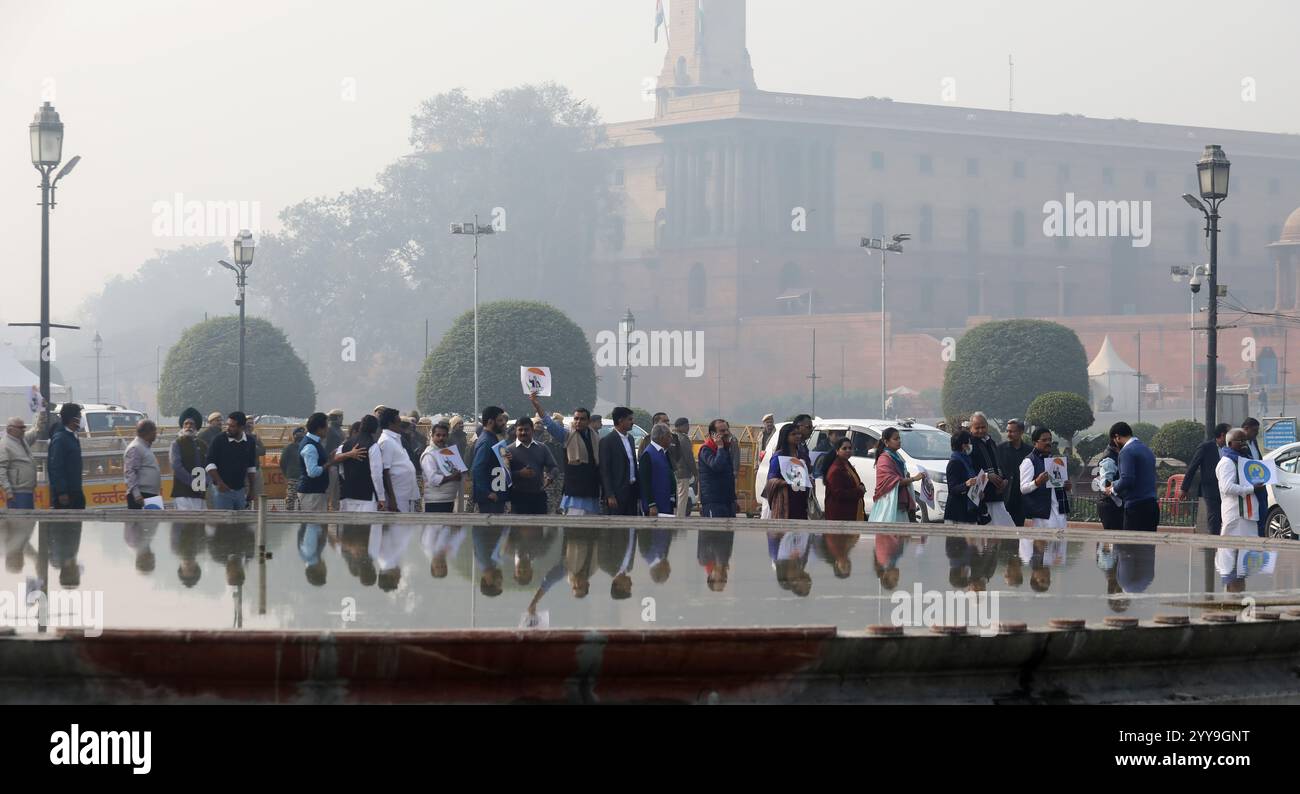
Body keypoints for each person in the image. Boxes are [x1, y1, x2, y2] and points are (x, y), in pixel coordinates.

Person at [531, 394, 602, 516]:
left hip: (592, 490)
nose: (578, 421)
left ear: (588, 421)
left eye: (582, 419)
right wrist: (537, 406)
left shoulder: (595, 437)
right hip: (575, 492)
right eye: (576, 418)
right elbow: (550, 424)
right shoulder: (568, 435)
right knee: (574, 530)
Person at [1105, 421, 1157, 532]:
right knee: (1148, 547)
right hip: (1152, 505)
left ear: (1117, 437)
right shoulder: (1146, 449)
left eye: (1114, 441)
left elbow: (1127, 479)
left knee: (1130, 547)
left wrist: (1113, 489)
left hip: (1136, 507)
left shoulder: (1126, 451)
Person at [1180, 422, 1230, 536]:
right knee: (1214, 517)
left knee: (1225, 517)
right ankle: (1213, 544)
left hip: (1225, 488)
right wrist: (1184, 488)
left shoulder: (1229, 449)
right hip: (1210, 489)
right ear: (1223, 435)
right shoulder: (1206, 447)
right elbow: (1192, 467)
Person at [1019, 427, 1072, 529]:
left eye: (1050, 440)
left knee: (1061, 541)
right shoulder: (1029, 461)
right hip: (1043, 513)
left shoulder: (1054, 459)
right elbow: (1023, 489)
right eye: (1044, 440)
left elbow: (1058, 484)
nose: (1048, 442)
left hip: (1059, 510)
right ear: (1035, 442)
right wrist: (1037, 482)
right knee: (1045, 543)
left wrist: (1067, 486)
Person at [868, 427, 923, 523]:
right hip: (888, 503)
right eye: (895, 439)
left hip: (899, 502)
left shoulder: (895, 456)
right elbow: (893, 481)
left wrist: (906, 476)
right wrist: (914, 479)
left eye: (899, 438)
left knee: (901, 535)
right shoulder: (884, 459)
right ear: (886, 442)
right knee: (889, 534)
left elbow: (898, 476)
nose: (899, 441)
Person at [205, 411, 259, 510]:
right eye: (228, 425)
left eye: (232, 426)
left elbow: (251, 467)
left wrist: (252, 489)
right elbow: (209, 463)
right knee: (224, 523)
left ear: (241, 427)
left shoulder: (249, 442)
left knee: (241, 523)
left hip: (240, 490)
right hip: (222, 491)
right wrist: (220, 483)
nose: (228, 428)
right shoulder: (219, 440)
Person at [371, 407, 420, 513]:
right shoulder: (386, 441)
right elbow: (385, 471)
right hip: (397, 495)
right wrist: (392, 499)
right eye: (398, 422)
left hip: (406, 493)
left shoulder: (396, 439)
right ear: (390, 423)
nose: (400, 425)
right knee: (397, 528)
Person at [968, 412, 1013, 526]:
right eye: (977, 428)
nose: (980, 430)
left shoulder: (991, 442)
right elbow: (969, 468)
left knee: (1006, 528)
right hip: (982, 496)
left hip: (997, 493)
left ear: (987, 426)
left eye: (983, 427)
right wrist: (987, 476)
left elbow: (999, 464)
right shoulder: (969, 445)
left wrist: (1004, 480)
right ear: (971, 428)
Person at [1217, 428, 1263, 538]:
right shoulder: (1227, 462)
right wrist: (1251, 489)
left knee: (1249, 551)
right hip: (1235, 514)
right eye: (1240, 441)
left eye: (1245, 440)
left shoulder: (1244, 460)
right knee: (1230, 550)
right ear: (1230, 443)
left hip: (1248, 513)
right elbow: (1227, 488)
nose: (1244, 444)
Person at [508, 416, 557, 516]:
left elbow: (554, 467)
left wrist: (550, 477)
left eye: (526, 430)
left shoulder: (542, 448)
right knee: (518, 530)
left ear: (532, 430)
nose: (523, 433)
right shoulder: (508, 450)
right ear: (516, 431)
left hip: (538, 496)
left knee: (538, 529)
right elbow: (504, 475)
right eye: (520, 430)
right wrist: (520, 474)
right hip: (518, 497)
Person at [763, 422, 811, 519]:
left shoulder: (802, 455)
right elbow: (771, 480)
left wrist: (808, 480)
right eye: (793, 434)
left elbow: (808, 473)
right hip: (785, 498)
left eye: (798, 434)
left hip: (801, 498)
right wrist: (786, 482)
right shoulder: (778, 456)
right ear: (785, 436)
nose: (797, 436)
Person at [599, 407, 640, 516]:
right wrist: (610, 495)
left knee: (631, 527)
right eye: (630, 419)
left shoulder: (631, 439)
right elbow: (605, 470)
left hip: (632, 491)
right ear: (620, 420)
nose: (632, 422)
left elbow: (633, 464)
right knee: (617, 529)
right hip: (617, 494)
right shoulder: (607, 441)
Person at [471, 406, 511, 514]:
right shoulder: (486, 441)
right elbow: (477, 469)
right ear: (490, 422)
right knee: (490, 530)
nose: (504, 423)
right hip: (490, 499)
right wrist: (487, 493)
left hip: (497, 494)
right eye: (500, 420)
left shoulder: (493, 438)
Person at [698, 419, 741, 518]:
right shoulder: (706, 449)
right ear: (713, 434)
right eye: (722, 431)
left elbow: (729, 476)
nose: (726, 433)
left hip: (727, 500)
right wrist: (720, 447)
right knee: (714, 533)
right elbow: (717, 466)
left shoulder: (726, 448)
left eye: (727, 430)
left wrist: (733, 499)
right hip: (713, 501)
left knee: (728, 532)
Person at [943, 429, 986, 525]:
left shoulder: (968, 461)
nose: (971, 446)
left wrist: (979, 492)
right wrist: (966, 484)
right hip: (957, 513)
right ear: (964, 445)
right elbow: (952, 489)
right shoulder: (955, 462)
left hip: (969, 512)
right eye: (969, 443)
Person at [419, 420, 463, 513]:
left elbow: (457, 470)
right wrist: (452, 477)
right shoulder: (429, 454)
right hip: (436, 502)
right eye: (438, 435)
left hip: (448, 500)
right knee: (436, 528)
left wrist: (459, 474)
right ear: (432, 436)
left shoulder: (448, 451)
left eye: (444, 435)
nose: (441, 438)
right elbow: (433, 479)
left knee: (446, 528)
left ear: (447, 436)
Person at [169, 411, 209, 511]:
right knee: (185, 524)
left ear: (196, 427)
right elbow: (177, 467)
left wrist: (205, 482)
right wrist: (194, 483)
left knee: (199, 524)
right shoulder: (176, 444)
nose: (188, 426)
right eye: (186, 424)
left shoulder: (202, 445)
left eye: (191, 424)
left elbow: (209, 466)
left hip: (200, 494)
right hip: (183, 493)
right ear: (182, 427)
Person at [339, 415, 379, 511]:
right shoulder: (373, 446)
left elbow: (341, 471)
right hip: (367, 495)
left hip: (348, 493)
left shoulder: (345, 445)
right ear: (375, 429)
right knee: (366, 524)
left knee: (348, 525)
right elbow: (376, 474)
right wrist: (381, 497)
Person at [48, 403, 84, 509]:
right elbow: (56, 467)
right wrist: (62, 492)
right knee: (66, 525)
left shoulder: (72, 436)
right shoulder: (60, 439)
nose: (81, 418)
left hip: (75, 489)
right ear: (73, 419)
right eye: (79, 415)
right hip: (66, 494)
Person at [996, 419, 1032, 526]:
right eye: (1007, 431)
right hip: (1005, 496)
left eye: (1012, 431)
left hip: (1021, 498)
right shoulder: (1000, 449)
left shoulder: (1029, 451)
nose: (1009, 434)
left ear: (1021, 432)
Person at [638, 423, 677, 517]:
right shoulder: (648, 454)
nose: (671, 439)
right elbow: (645, 482)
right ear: (661, 438)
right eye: (668, 436)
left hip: (665, 503)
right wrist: (651, 505)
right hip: (655, 507)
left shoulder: (663, 452)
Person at [823, 436, 866, 521]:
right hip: (840, 514)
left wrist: (860, 485)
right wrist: (859, 491)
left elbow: (854, 481)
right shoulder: (836, 470)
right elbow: (838, 493)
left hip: (850, 510)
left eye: (850, 448)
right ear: (837, 451)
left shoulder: (846, 464)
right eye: (844, 448)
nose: (848, 451)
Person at [124, 419, 161, 510]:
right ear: (148, 432)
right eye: (155, 431)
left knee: (151, 524)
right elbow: (130, 472)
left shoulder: (144, 447)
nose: (156, 434)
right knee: (139, 524)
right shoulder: (135, 448)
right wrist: (136, 494)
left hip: (149, 494)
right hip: (140, 496)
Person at [0, 417, 37, 509]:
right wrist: (8, 491)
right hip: (16, 492)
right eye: (20, 428)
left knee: (27, 520)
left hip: (27, 491)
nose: (23, 430)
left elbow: (34, 433)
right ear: (10, 429)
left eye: (24, 427)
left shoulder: (22, 440)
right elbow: (1, 470)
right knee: (19, 521)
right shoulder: (4, 445)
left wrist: (40, 417)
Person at [1242, 417, 1268, 537]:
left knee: (1263, 513)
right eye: (1254, 431)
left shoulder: (1254, 441)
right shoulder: (1240, 444)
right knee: (1252, 517)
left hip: (1261, 483)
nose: (1256, 434)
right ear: (1246, 429)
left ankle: (1261, 536)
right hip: (1249, 486)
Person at [669, 417, 697, 517]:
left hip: (673, 471)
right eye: (687, 425)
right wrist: (695, 472)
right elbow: (689, 457)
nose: (688, 427)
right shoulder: (683, 439)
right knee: (682, 497)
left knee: (676, 496)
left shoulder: (671, 436)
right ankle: (680, 518)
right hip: (683, 472)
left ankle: (675, 516)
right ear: (681, 426)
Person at [1096, 442, 1124, 530]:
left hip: (1116, 504)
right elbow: (1105, 486)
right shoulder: (1109, 459)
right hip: (1111, 505)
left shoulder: (1117, 457)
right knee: (1115, 539)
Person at [447, 414, 470, 512]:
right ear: (454, 425)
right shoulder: (450, 437)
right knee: (451, 492)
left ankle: (460, 513)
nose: (461, 425)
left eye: (462, 423)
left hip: (463, 466)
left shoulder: (464, 436)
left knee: (461, 492)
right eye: (459, 423)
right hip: (453, 467)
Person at [280, 427, 305, 511]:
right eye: (298, 433)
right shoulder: (289, 447)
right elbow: (283, 462)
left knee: (301, 502)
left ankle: (301, 520)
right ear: (294, 436)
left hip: (302, 478)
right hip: (293, 477)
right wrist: (286, 474)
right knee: (290, 499)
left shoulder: (306, 447)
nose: (300, 435)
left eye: (302, 433)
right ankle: (288, 519)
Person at [324, 409, 345, 510]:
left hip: (337, 464)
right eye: (340, 417)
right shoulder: (330, 430)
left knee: (336, 493)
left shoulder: (337, 430)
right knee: (329, 491)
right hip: (331, 464)